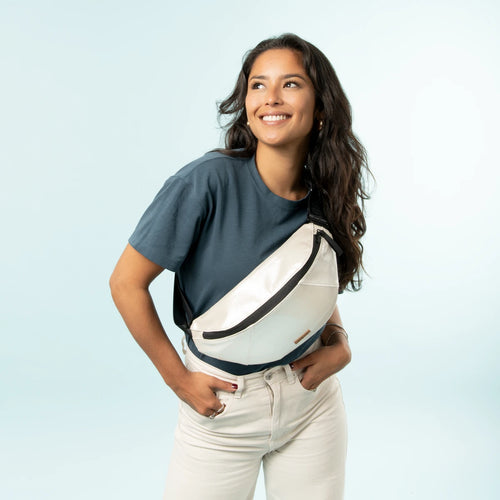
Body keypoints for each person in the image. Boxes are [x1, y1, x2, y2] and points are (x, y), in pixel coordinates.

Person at [110, 33, 370, 500]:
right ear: (246, 104)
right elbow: (126, 283)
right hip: (223, 407)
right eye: (258, 85)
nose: (271, 97)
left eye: (291, 84)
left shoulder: (326, 191)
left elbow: (307, 283)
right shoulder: (205, 182)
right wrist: (179, 380)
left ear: (320, 107)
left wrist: (339, 341)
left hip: (311, 403)